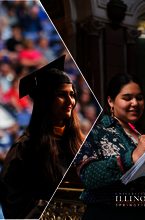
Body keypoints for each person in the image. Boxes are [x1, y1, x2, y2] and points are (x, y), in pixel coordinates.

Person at [0, 55, 84, 219]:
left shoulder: (78, 142)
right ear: (46, 99)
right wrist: (57, 209)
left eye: (72, 94)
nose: (70, 101)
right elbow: (13, 199)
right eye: (62, 94)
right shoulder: (26, 147)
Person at [74, 73, 145, 220]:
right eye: (127, 98)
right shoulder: (94, 132)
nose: (135, 103)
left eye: (139, 98)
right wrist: (132, 157)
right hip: (110, 214)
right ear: (110, 101)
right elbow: (88, 176)